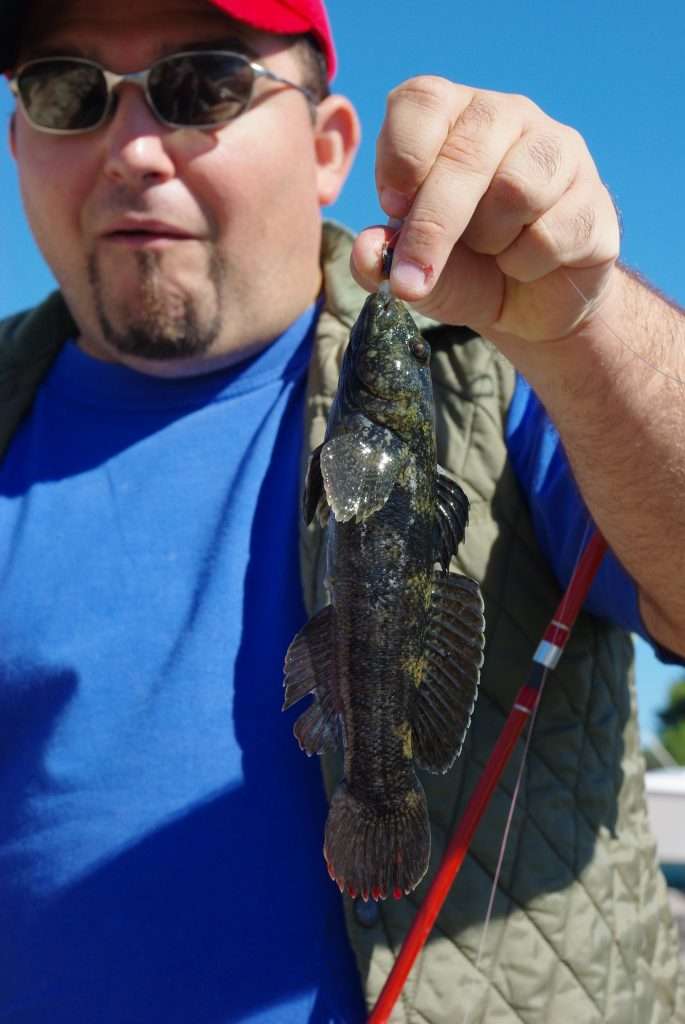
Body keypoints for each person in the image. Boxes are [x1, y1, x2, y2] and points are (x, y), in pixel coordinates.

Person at [1, 0, 683, 1021]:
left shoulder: (507, 367)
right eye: (68, 93)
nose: (134, 148)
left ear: (328, 150)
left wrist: (586, 327)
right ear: (18, 137)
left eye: (201, 86)